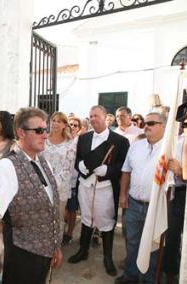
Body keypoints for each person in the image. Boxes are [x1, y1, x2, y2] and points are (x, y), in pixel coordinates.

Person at [0, 107, 62, 284]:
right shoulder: (7, 166)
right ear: (20, 132)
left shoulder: (43, 161)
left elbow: (51, 208)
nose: (45, 135)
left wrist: (55, 247)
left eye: (45, 129)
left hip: (44, 254)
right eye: (39, 130)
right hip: (21, 256)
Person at [68, 105, 129, 277]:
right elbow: (78, 158)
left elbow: (124, 166)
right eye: (90, 116)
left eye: (96, 116)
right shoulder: (83, 138)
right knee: (86, 217)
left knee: (106, 221)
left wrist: (108, 171)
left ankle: (108, 258)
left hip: (105, 188)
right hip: (85, 185)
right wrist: (79, 165)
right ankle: (83, 250)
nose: (93, 119)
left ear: (105, 117)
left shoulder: (120, 141)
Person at [116, 112, 167, 284]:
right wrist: (123, 194)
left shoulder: (170, 149)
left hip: (156, 207)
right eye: (146, 122)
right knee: (132, 241)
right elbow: (126, 171)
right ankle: (130, 275)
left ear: (163, 126)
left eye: (152, 123)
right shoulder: (136, 146)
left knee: (152, 246)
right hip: (133, 205)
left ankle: (148, 279)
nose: (147, 125)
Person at [41, 111, 76, 243]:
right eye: (53, 120)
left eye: (59, 121)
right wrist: (44, 182)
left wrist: (53, 185)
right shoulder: (43, 139)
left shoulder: (70, 144)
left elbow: (68, 168)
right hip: (42, 185)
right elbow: (38, 161)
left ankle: (55, 247)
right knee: (42, 218)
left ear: (64, 125)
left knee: (57, 218)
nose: (55, 123)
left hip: (60, 188)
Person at [162, 125, 187, 283]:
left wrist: (181, 172)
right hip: (174, 194)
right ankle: (171, 274)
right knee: (171, 236)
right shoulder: (174, 139)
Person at [62, 117, 82, 245]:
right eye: (70, 124)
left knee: (72, 208)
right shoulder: (62, 140)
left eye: (75, 125)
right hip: (61, 181)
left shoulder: (80, 142)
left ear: (79, 128)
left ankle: (69, 233)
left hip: (74, 180)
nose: (73, 127)